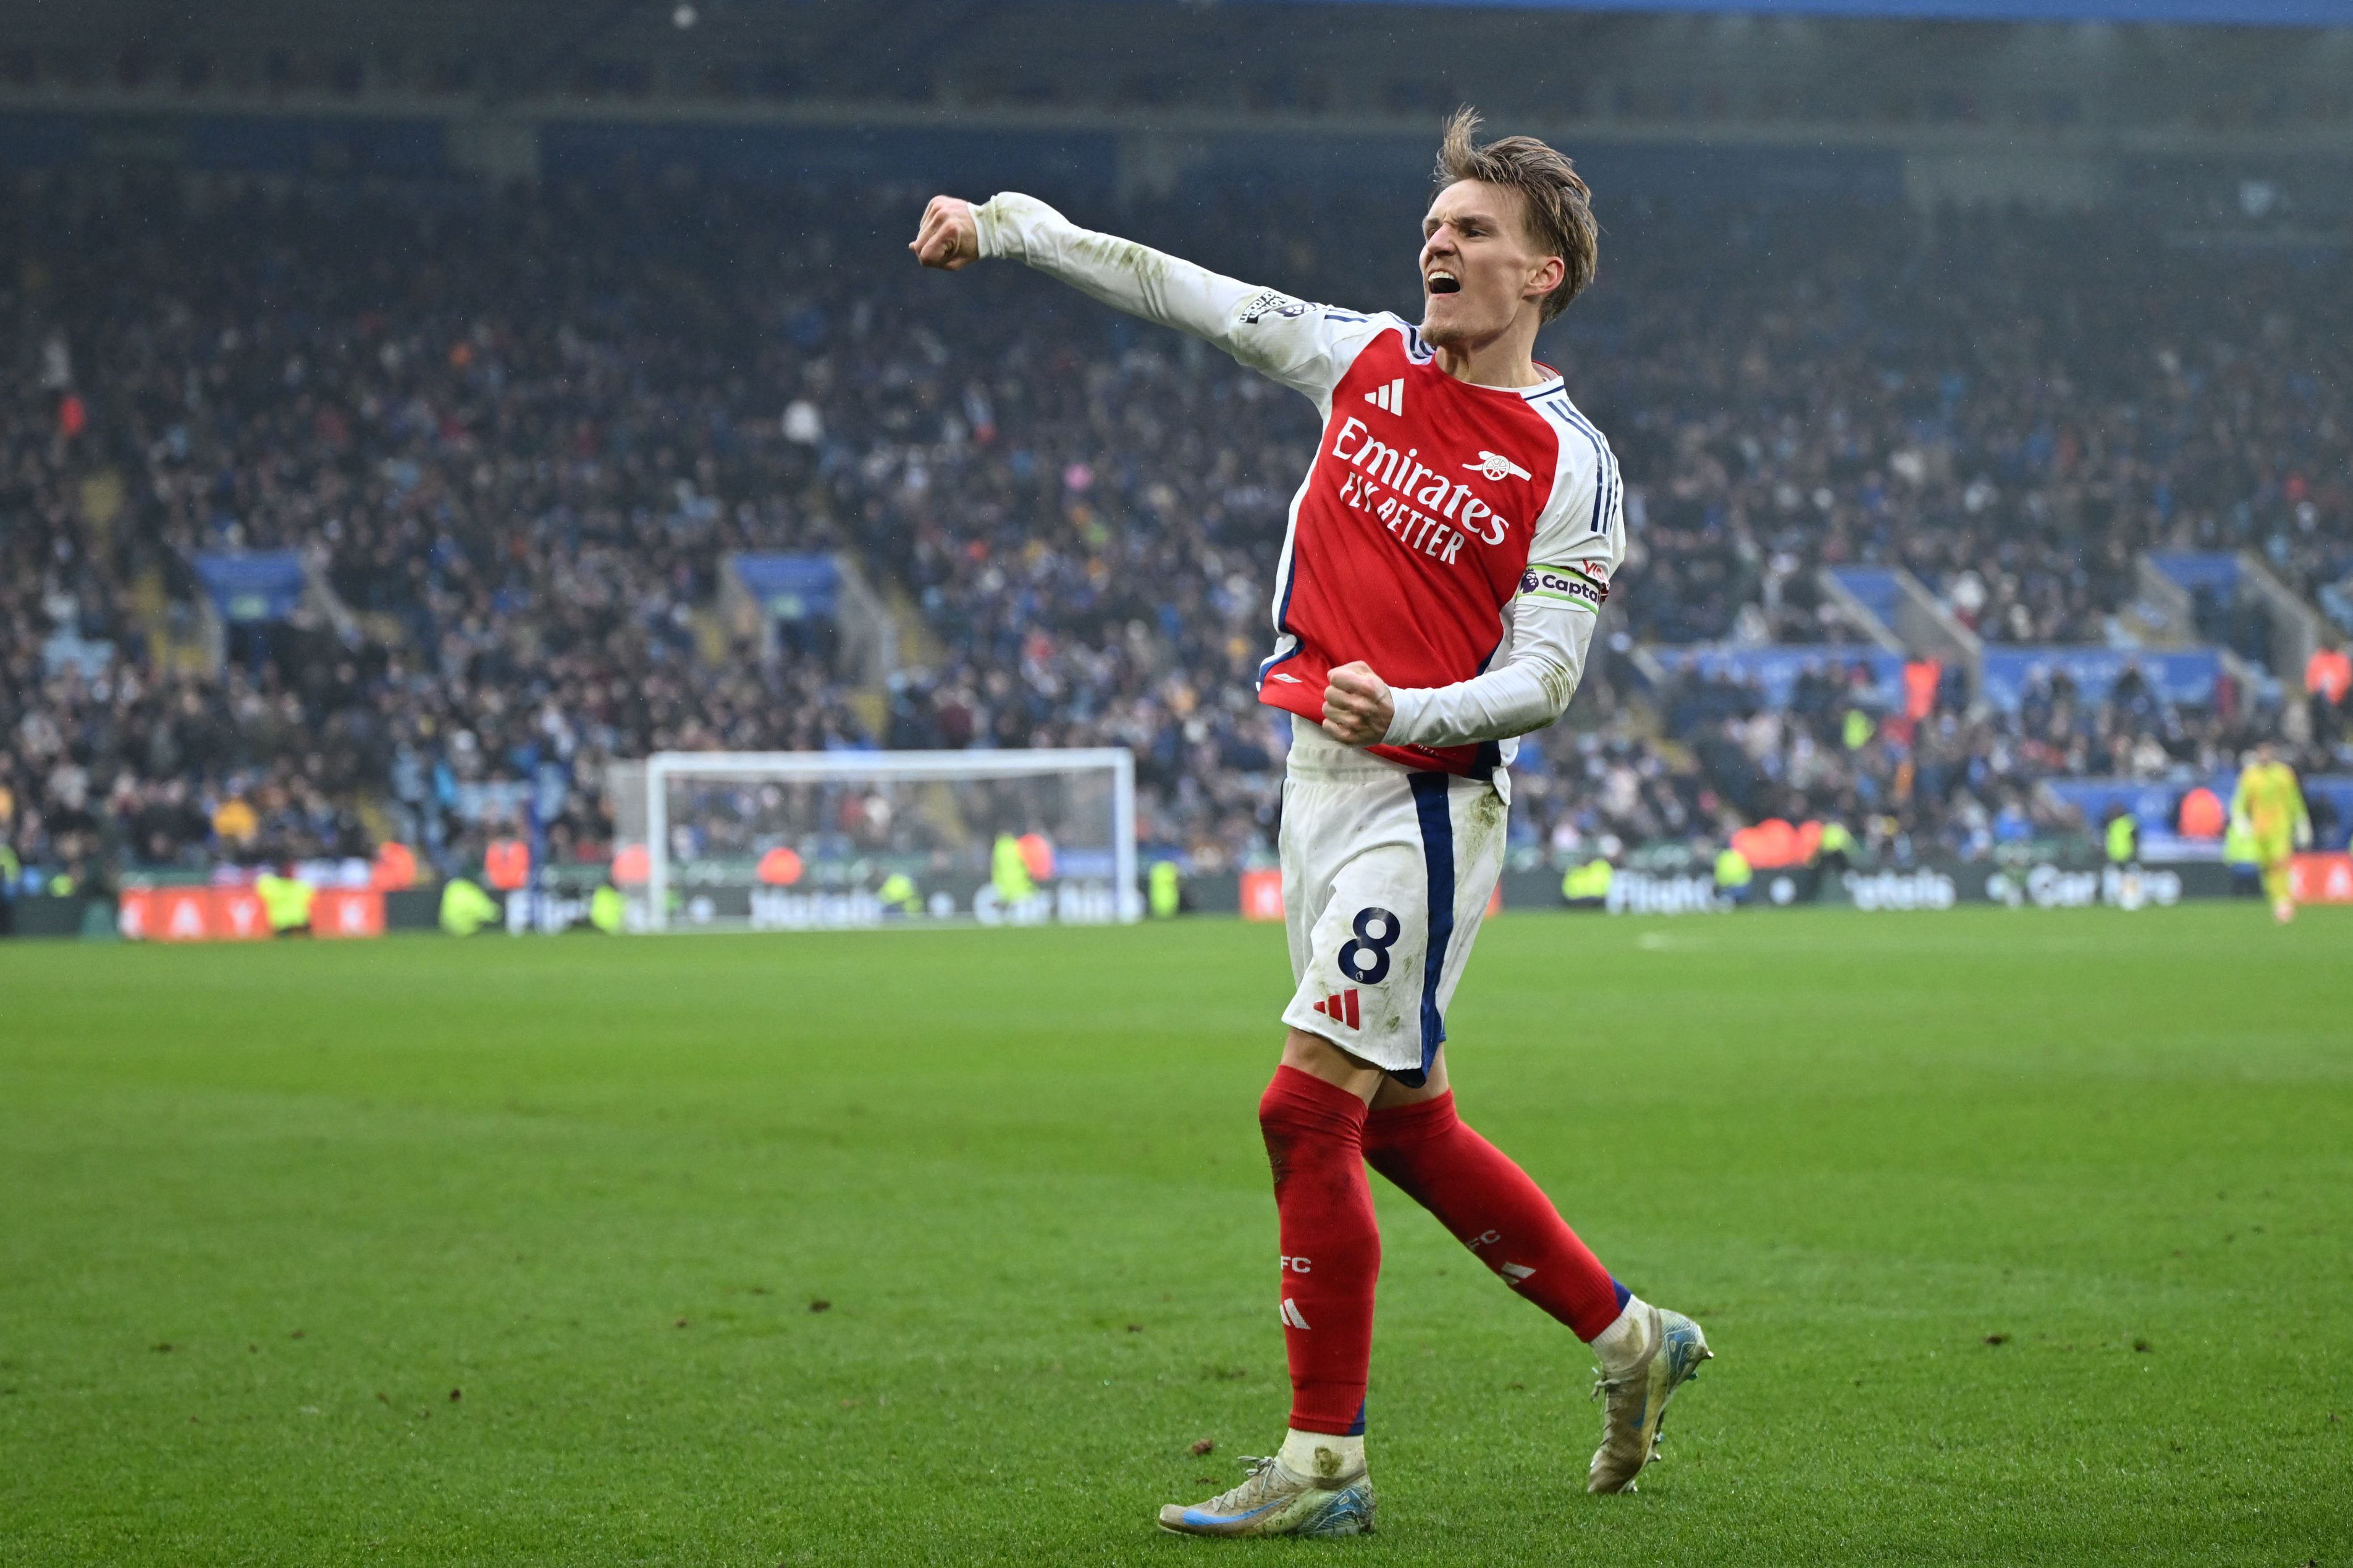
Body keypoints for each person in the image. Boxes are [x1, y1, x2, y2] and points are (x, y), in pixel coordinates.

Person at [913, 106, 1710, 1539]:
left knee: (1301, 1106)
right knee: (1403, 1126)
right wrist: (1017, 227)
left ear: (1543, 275)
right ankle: (1633, 1337)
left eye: (1476, 230)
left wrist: (1403, 708)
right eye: (1438, 221)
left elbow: (1546, 677)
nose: (1440, 241)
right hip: (1317, 785)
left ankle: (1325, 1459)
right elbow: (1179, 287)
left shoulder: (1568, 460)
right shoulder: (1361, 357)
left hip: (1428, 799)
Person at [2230, 742, 2311, 923]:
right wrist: (2241, 821)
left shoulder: (2284, 774)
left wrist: (2301, 821)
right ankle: (2277, 901)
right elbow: (2241, 801)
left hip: (2281, 829)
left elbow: (2294, 799)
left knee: (2280, 864)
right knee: (2267, 869)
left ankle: (2284, 902)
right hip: (2260, 831)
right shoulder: (2250, 776)